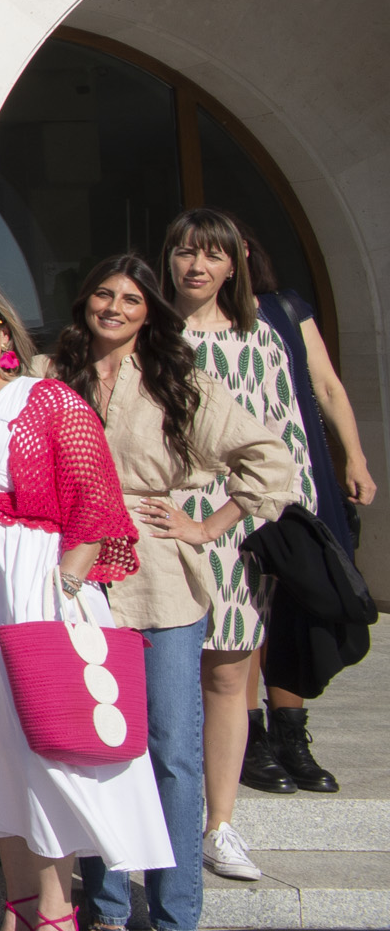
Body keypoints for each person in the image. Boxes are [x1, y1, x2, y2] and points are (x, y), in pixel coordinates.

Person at [0, 277, 167, 931]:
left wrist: (61, 589)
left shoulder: (48, 401)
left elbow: (96, 503)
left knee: (42, 750)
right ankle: (19, 905)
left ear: (2, 331)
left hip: (31, 585)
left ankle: (58, 910)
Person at [44, 254, 294, 931]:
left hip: (160, 580)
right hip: (79, 580)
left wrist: (207, 526)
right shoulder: (53, 375)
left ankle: (178, 912)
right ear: (85, 300)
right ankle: (109, 903)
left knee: (172, 752)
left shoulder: (179, 381)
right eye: (103, 294)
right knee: (99, 749)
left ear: (149, 310)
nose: (115, 307)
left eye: (130, 298)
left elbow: (268, 457)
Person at [163, 210, 316, 859]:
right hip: (157, 524)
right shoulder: (149, 333)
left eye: (211, 254)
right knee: (164, 680)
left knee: (227, 676)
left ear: (234, 265)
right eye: (184, 252)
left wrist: (278, 529)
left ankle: (220, 824)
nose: (196, 265)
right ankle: (163, 818)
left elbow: (286, 444)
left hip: (234, 528)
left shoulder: (260, 341)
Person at [246, 241, 377, 790]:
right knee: (244, 607)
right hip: (224, 484)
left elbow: (326, 386)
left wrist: (356, 456)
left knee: (301, 601)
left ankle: (290, 734)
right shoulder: (182, 319)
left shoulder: (286, 308)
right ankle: (251, 739)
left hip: (298, 478)